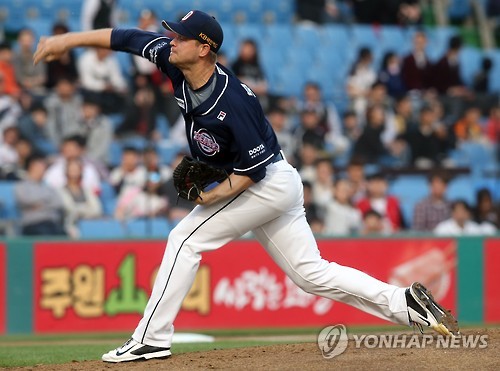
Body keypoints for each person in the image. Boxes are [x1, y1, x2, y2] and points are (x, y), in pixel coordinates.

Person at [34, 9, 459, 363]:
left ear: (205, 48)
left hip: (267, 182)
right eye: (171, 35)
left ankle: (151, 337)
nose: (170, 41)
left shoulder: (232, 101)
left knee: (185, 238)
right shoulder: (171, 58)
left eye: (179, 37)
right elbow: (124, 37)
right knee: (311, 275)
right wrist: (66, 41)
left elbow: (250, 174)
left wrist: (209, 195)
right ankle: (407, 303)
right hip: (272, 181)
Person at [14, 154, 66, 236]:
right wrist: (47, 202)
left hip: (53, 223)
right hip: (33, 224)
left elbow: (58, 203)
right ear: (32, 166)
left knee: (65, 236)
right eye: (40, 166)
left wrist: (39, 205)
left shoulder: (49, 187)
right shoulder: (21, 186)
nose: (43, 169)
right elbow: (25, 200)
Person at [59, 158, 103, 238]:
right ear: (66, 171)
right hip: (69, 225)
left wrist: (80, 212)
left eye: (76, 169)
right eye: (71, 169)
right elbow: (70, 209)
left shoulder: (87, 190)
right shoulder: (61, 191)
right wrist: (86, 207)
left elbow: (97, 209)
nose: (74, 171)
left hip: (89, 224)